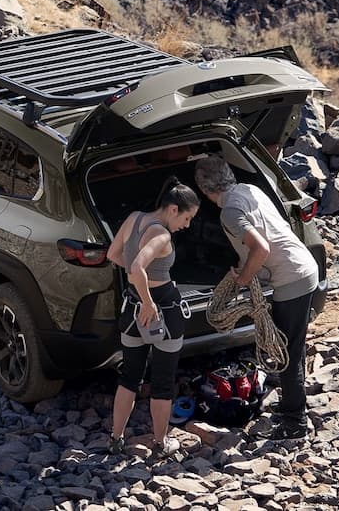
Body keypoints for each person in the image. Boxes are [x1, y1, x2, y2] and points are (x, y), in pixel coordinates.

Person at [194, 156, 319, 441]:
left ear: (203, 189)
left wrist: (241, 279)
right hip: (301, 268)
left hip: (292, 279)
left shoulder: (229, 211)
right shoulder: (250, 189)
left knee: (289, 351)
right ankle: (290, 401)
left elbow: (260, 248)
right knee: (288, 345)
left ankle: (294, 422)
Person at [105, 176, 200, 459]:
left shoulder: (134, 218)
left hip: (131, 310)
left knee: (129, 376)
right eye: (187, 217)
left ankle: (116, 438)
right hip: (162, 311)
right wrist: (148, 301)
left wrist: (137, 283)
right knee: (162, 380)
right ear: (173, 209)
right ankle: (160, 444)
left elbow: (114, 254)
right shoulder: (162, 235)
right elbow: (137, 265)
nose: (187, 225)